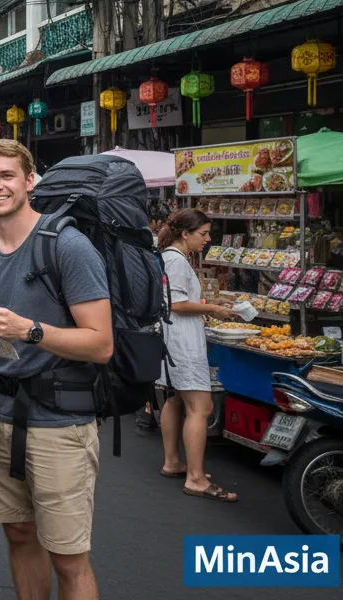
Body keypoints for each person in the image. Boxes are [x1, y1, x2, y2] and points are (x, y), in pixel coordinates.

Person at [0, 139, 112, 600]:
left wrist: (28, 330)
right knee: (19, 535)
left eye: (7, 175)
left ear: (30, 181)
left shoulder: (67, 246)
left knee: (68, 557)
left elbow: (101, 344)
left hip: (59, 421)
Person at [157, 209, 238, 502]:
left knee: (176, 399)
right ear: (185, 234)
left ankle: (172, 461)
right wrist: (212, 309)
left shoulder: (170, 257)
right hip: (182, 341)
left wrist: (205, 304)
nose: (207, 239)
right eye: (203, 233)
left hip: (173, 338)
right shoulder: (176, 261)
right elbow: (177, 304)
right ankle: (195, 478)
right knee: (201, 408)